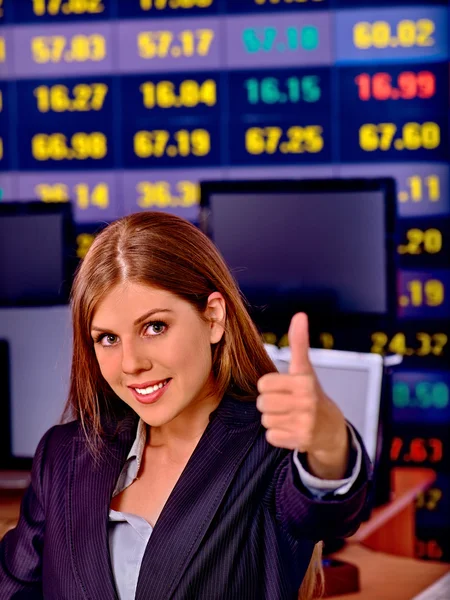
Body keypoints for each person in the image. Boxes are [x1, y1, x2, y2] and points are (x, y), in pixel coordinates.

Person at [0, 211, 372, 600]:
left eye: (155, 327)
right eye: (108, 338)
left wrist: (329, 442)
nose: (131, 363)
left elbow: (328, 510)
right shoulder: (63, 456)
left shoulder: (270, 453)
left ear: (213, 318)